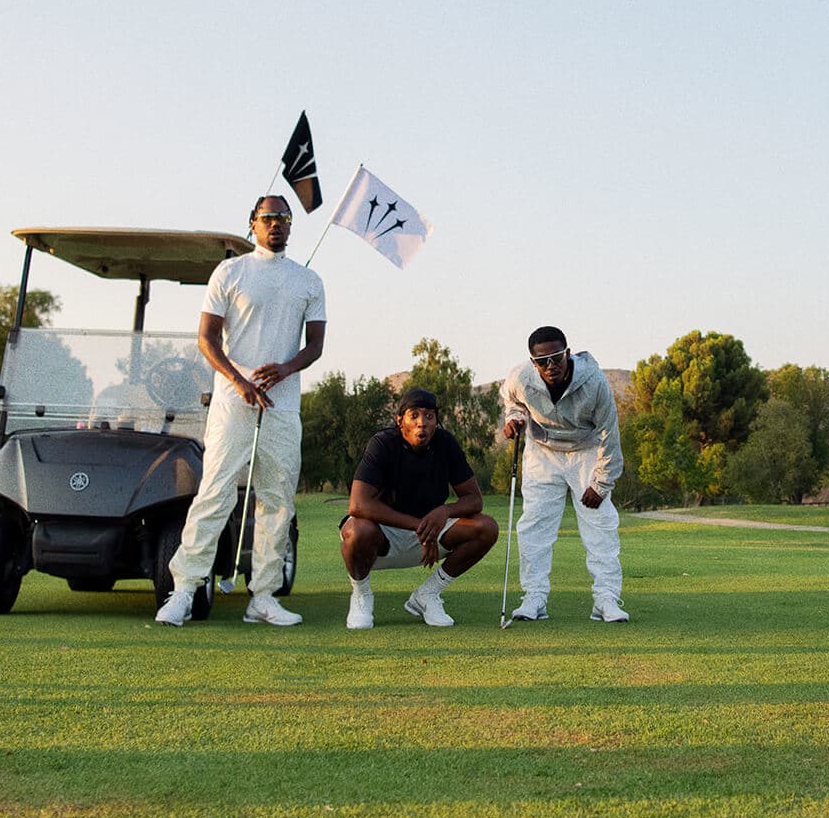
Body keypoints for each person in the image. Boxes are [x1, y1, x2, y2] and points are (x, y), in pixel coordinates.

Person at [156, 195, 326, 627]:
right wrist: (238, 380)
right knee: (213, 493)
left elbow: (315, 345)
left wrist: (285, 369)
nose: (276, 225)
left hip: (282, 407)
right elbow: (207, 339)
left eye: (284, 218)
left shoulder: (308, 280)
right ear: (252, 223)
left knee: (277, 500)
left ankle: (264, 596)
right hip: (234, 403)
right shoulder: (230, 271)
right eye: (268, 218)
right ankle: (184, 591)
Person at [338, 387, 501, 629]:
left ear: (437, 420)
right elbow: (358, 503)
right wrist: (421, 527)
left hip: (430, 531)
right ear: (399, 421)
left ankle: (427, 594)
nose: (422, 423)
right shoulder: (382, 443)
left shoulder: (446, 443)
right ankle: (361, 595)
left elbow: (474, 500)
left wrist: (443, 512)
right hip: (383, 536)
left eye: (429, 416)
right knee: (356, 531)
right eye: (414, 415)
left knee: (486, 527)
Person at [499, 327, 628, 622]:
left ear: (567, 353)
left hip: (585, 450)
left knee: (600, 525)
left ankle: (606, 599)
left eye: (556, 358)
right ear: (532, 362)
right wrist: (515, 418)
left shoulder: (595, 381)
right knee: (534, 525)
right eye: (541, 361)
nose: (550, 366)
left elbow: (610, 435)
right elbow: (512, 402)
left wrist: (601, 482)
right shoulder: (519, 378)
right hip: (542, 452)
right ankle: (534, 598)